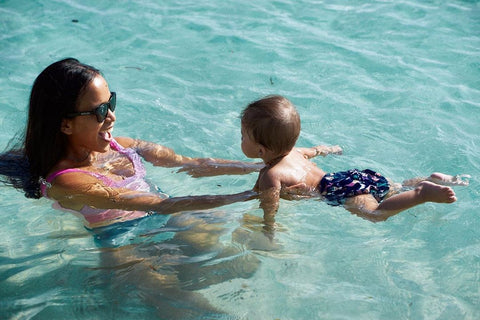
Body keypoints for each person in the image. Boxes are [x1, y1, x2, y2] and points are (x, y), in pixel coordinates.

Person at [0, 57, 266, 229]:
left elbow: (193, 164)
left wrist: (262, 167)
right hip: (126, 246)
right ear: (65, 124)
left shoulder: (122, 146)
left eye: (111, 103)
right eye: (100, 111)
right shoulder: (68, 181)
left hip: (167, 217)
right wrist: (251, 194)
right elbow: (157, 205)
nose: (112, 117)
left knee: (244, 240)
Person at [239, 95, 469, 227]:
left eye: (242, 137)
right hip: (349, 176)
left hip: (336, 190)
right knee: (393, 187)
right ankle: (429, 178)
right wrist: (330, 149)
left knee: (375, 213)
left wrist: (268, 227)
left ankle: (421, 193)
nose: (240, 140)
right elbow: (318, 150)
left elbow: (269, 205)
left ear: (260, 149)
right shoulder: (296, 152)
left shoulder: (270, 175)